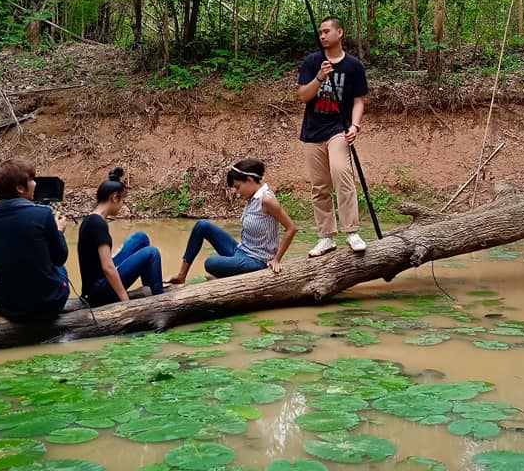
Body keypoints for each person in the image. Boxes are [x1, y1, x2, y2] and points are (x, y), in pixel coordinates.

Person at [296, 16, 368, 257]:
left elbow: (358, 100)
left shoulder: (354, 66)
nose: (322, 36)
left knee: (342, 173)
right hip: (313, 131)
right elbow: (303, 96)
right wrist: (319, 77)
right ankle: (326, 237)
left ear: (340, 32)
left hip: (338, 129)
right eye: (320, 32)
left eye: (327, 31)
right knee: (319, 186)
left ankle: (352, 232)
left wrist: (355, 125)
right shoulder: (312, 61)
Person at [166, 159, 297, 283]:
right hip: (241, 250)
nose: (237, 192)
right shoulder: (252, 197)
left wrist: (276, 259)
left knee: (210, 263)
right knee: (202, 226)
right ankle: (181, 276)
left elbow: (291, 228)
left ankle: (224, 278)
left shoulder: (267, 200)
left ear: (249, 180)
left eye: (238, 187)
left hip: (257, 260)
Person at [0, 159, 70, 322]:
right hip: (48, 305)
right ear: (20, 188)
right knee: (60, 268)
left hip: (7, 307)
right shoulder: (43, 215)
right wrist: (58, 232)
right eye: (32, 180)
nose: (35, 184)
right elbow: (60, 258)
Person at [77, 168, 164, 306]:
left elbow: (98, 260)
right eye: (122, 201)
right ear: (114, 198)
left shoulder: (91, 219)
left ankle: (149, 288)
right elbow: (108, 268)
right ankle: (161, 302)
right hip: (97, 293)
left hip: (97, 282)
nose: (122, 205)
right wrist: (125, 301)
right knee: (152, 253)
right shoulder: (98, 224)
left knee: (141, 238)